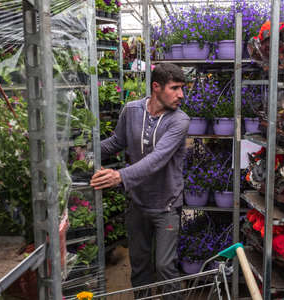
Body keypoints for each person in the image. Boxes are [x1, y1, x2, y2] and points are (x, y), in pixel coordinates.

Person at [90, 63, 189, 297]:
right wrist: (82, 151)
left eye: (182, 88)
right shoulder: (131, 110)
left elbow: (157, 159)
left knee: (165, 266)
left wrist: (119, 176)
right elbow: (116, 142)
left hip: (166, 205)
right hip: (137, 204)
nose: (181, 95)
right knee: (139, 265)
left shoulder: (179, 121)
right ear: (156, 87)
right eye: (174, 88)